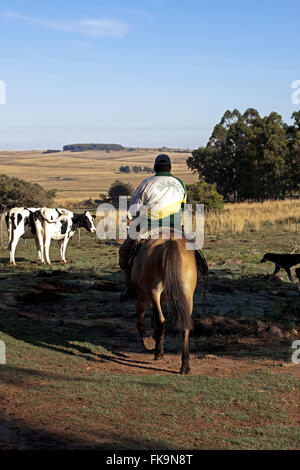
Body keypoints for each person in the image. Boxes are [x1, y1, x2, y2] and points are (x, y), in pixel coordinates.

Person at [119, 154, 187, 300]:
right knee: (193, 250)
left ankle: (129, 286)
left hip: (148, 228)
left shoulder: (146, 184)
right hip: (175, 228)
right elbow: (183, 206)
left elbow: (134, 209)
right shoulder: (180, 183)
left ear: (155, 167)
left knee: (125, 251)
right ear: (170, 167)